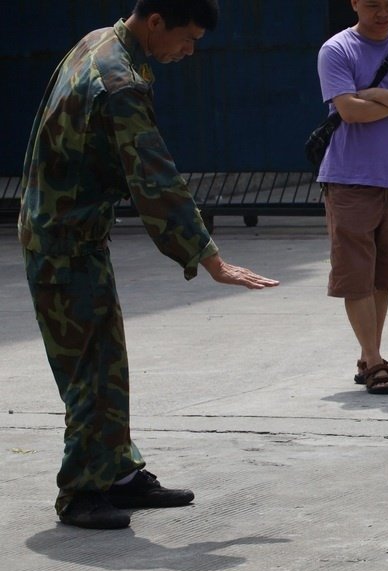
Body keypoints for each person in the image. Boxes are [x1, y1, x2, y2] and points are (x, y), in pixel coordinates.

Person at [18, 0, 280, 530]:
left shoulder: (99, 43)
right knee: (90, 369)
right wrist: (207, 256)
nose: (188, 51)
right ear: (155, 21)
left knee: (106, 359)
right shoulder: (120, 81)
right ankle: (82, 491)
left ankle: (117, 473)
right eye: (187, 39)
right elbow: (154, 178)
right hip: (63, 240)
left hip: (68, 231)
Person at [317, 0, 388, 394]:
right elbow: (350, 112)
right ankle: (374, 361)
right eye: (372, 4)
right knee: (356, 276)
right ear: (353, 3)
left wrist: (375, 94)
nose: (382, 12)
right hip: (350, 179)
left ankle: (372, 357)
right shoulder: (337, 49)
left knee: (384, 274)